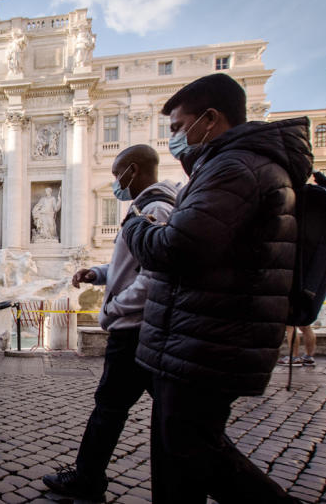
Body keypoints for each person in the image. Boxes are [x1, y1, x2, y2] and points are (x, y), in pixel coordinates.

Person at [120, 73, 310, 503]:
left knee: (192, 447)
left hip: (210, 336)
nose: (174, 139)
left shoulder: (235, 167)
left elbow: (178, 247)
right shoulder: (229, 165)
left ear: (209, 119)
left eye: (177, 127)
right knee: (177, 451)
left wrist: (135, 225)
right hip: (202, 330)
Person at [42, 145, 178, 500]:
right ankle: (89, 476)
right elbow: (132, 265)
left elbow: (153, 277)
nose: (115, 182)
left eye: (118, 175)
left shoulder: (156, 209)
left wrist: (114, 308)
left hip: (134, 330)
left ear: (133, 171)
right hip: (138, 328)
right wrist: (99, 274)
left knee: (111, 408)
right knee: (154, 411)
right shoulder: (144, 208)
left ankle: (87, 479)